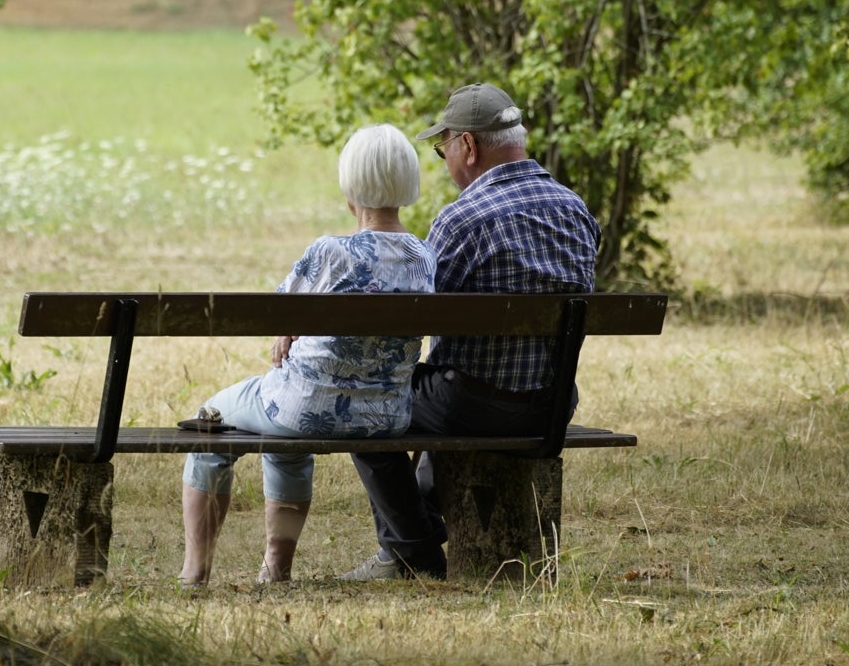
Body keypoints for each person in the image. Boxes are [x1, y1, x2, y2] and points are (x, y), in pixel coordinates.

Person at [339, 83, 602, 581]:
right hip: (552, 405)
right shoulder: (577, 210)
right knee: (446, 382)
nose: (445, 162)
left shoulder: (462, 219)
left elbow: (417, 319)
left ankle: (412, 551)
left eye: (443, 151)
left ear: (468, 146)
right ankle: (418, 531)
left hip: (475, 406)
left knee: (365, 399)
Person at [179, 123, 437, 587]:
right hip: (385, 417)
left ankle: (194, 571)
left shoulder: (330, 253)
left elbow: (275, 313)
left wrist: (288, 330)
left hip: (303, 408)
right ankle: (275, 569)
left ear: (350, 186)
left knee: (210, 420)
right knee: (283, 430)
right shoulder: (424, 257)